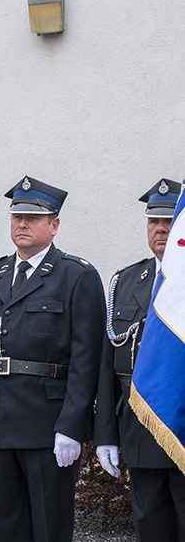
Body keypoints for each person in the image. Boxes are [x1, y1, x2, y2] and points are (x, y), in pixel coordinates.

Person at [0, 175, 106, 542]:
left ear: (54, 225)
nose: (22, 224)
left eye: (32, 217)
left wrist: (72, 425)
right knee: (6, 527)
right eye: (16, 217)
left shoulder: (77, 276)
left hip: (48, 426)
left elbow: (87, 359)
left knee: (49, 528)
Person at [94, 177, 185, 541]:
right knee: (150, 525)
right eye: (153, 222)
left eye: (168, 222)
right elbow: (106, 365)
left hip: (181, 421)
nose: (161, 229)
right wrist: (105, 435)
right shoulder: (127, 280)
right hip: (140, 424)